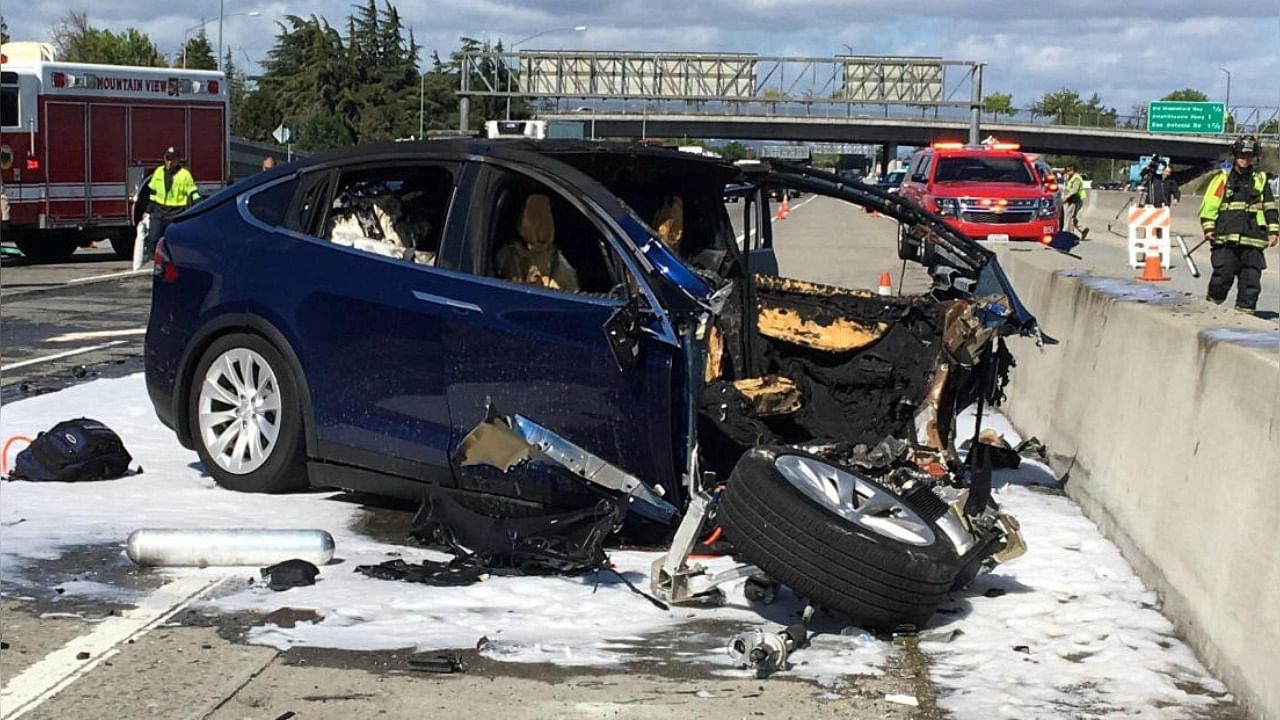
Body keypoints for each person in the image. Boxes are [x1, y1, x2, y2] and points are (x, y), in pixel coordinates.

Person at [1199, 135, 1280, 314]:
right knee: (1222, 276)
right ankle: (1209, 310)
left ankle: (1244, 319)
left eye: (1249, 155)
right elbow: (1209, 206)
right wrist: (1209, 228)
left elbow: (1269, 206)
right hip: (1225, 237)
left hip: (1253, 239)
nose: (1245, 158)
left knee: (1251, 283)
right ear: (1235, 155)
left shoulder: (1261, 179)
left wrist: (1274, 230)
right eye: (1242, 154)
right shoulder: (1222, 179)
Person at [495, 194, 579, 292]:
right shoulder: (510, 254)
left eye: (544, 217)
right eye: (533, 217)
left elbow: (569, 292)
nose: (541, 225)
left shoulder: (557, 260)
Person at [142, 147, 201, 259]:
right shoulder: (158, 172)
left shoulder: (184, 175)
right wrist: (148, 210)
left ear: (177, 160)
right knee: (153, 238)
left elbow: (193, 193)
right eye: (167, 159)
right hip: (159, 212)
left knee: (172, 241)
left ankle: (170, 261)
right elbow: (153, 194)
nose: (169, 162)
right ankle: (154, 261)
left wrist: (200, 207)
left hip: (175, 213)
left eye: (172, 160)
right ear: (164, 158)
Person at [1062, 164, 1089, 240]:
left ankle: (1068, 233)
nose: (1067, 172)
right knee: (1071, 217)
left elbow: (1074, 190)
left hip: (1075, 200)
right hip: (1071, 200)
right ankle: (1082, 229)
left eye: (1068, 170)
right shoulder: (1071, 177)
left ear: (1073, 170)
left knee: (1069, 216)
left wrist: (1066, 197)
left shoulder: (1076, 178)